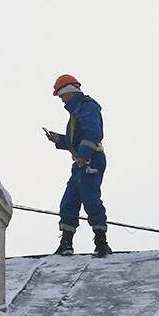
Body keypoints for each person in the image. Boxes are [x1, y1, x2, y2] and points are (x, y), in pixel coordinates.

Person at [45, 74, 111, 257]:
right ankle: (66, 243)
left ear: (69, 92)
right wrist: (60, 140)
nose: (62, 101)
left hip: (91, 160)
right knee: (69, 201)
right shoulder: (78, 112)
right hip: (82, 162)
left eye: (62, 96)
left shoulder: (87, 107)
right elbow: (78, 140)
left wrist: (83, 155)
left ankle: (101, 242)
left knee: (90, 199)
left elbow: (93, 133)